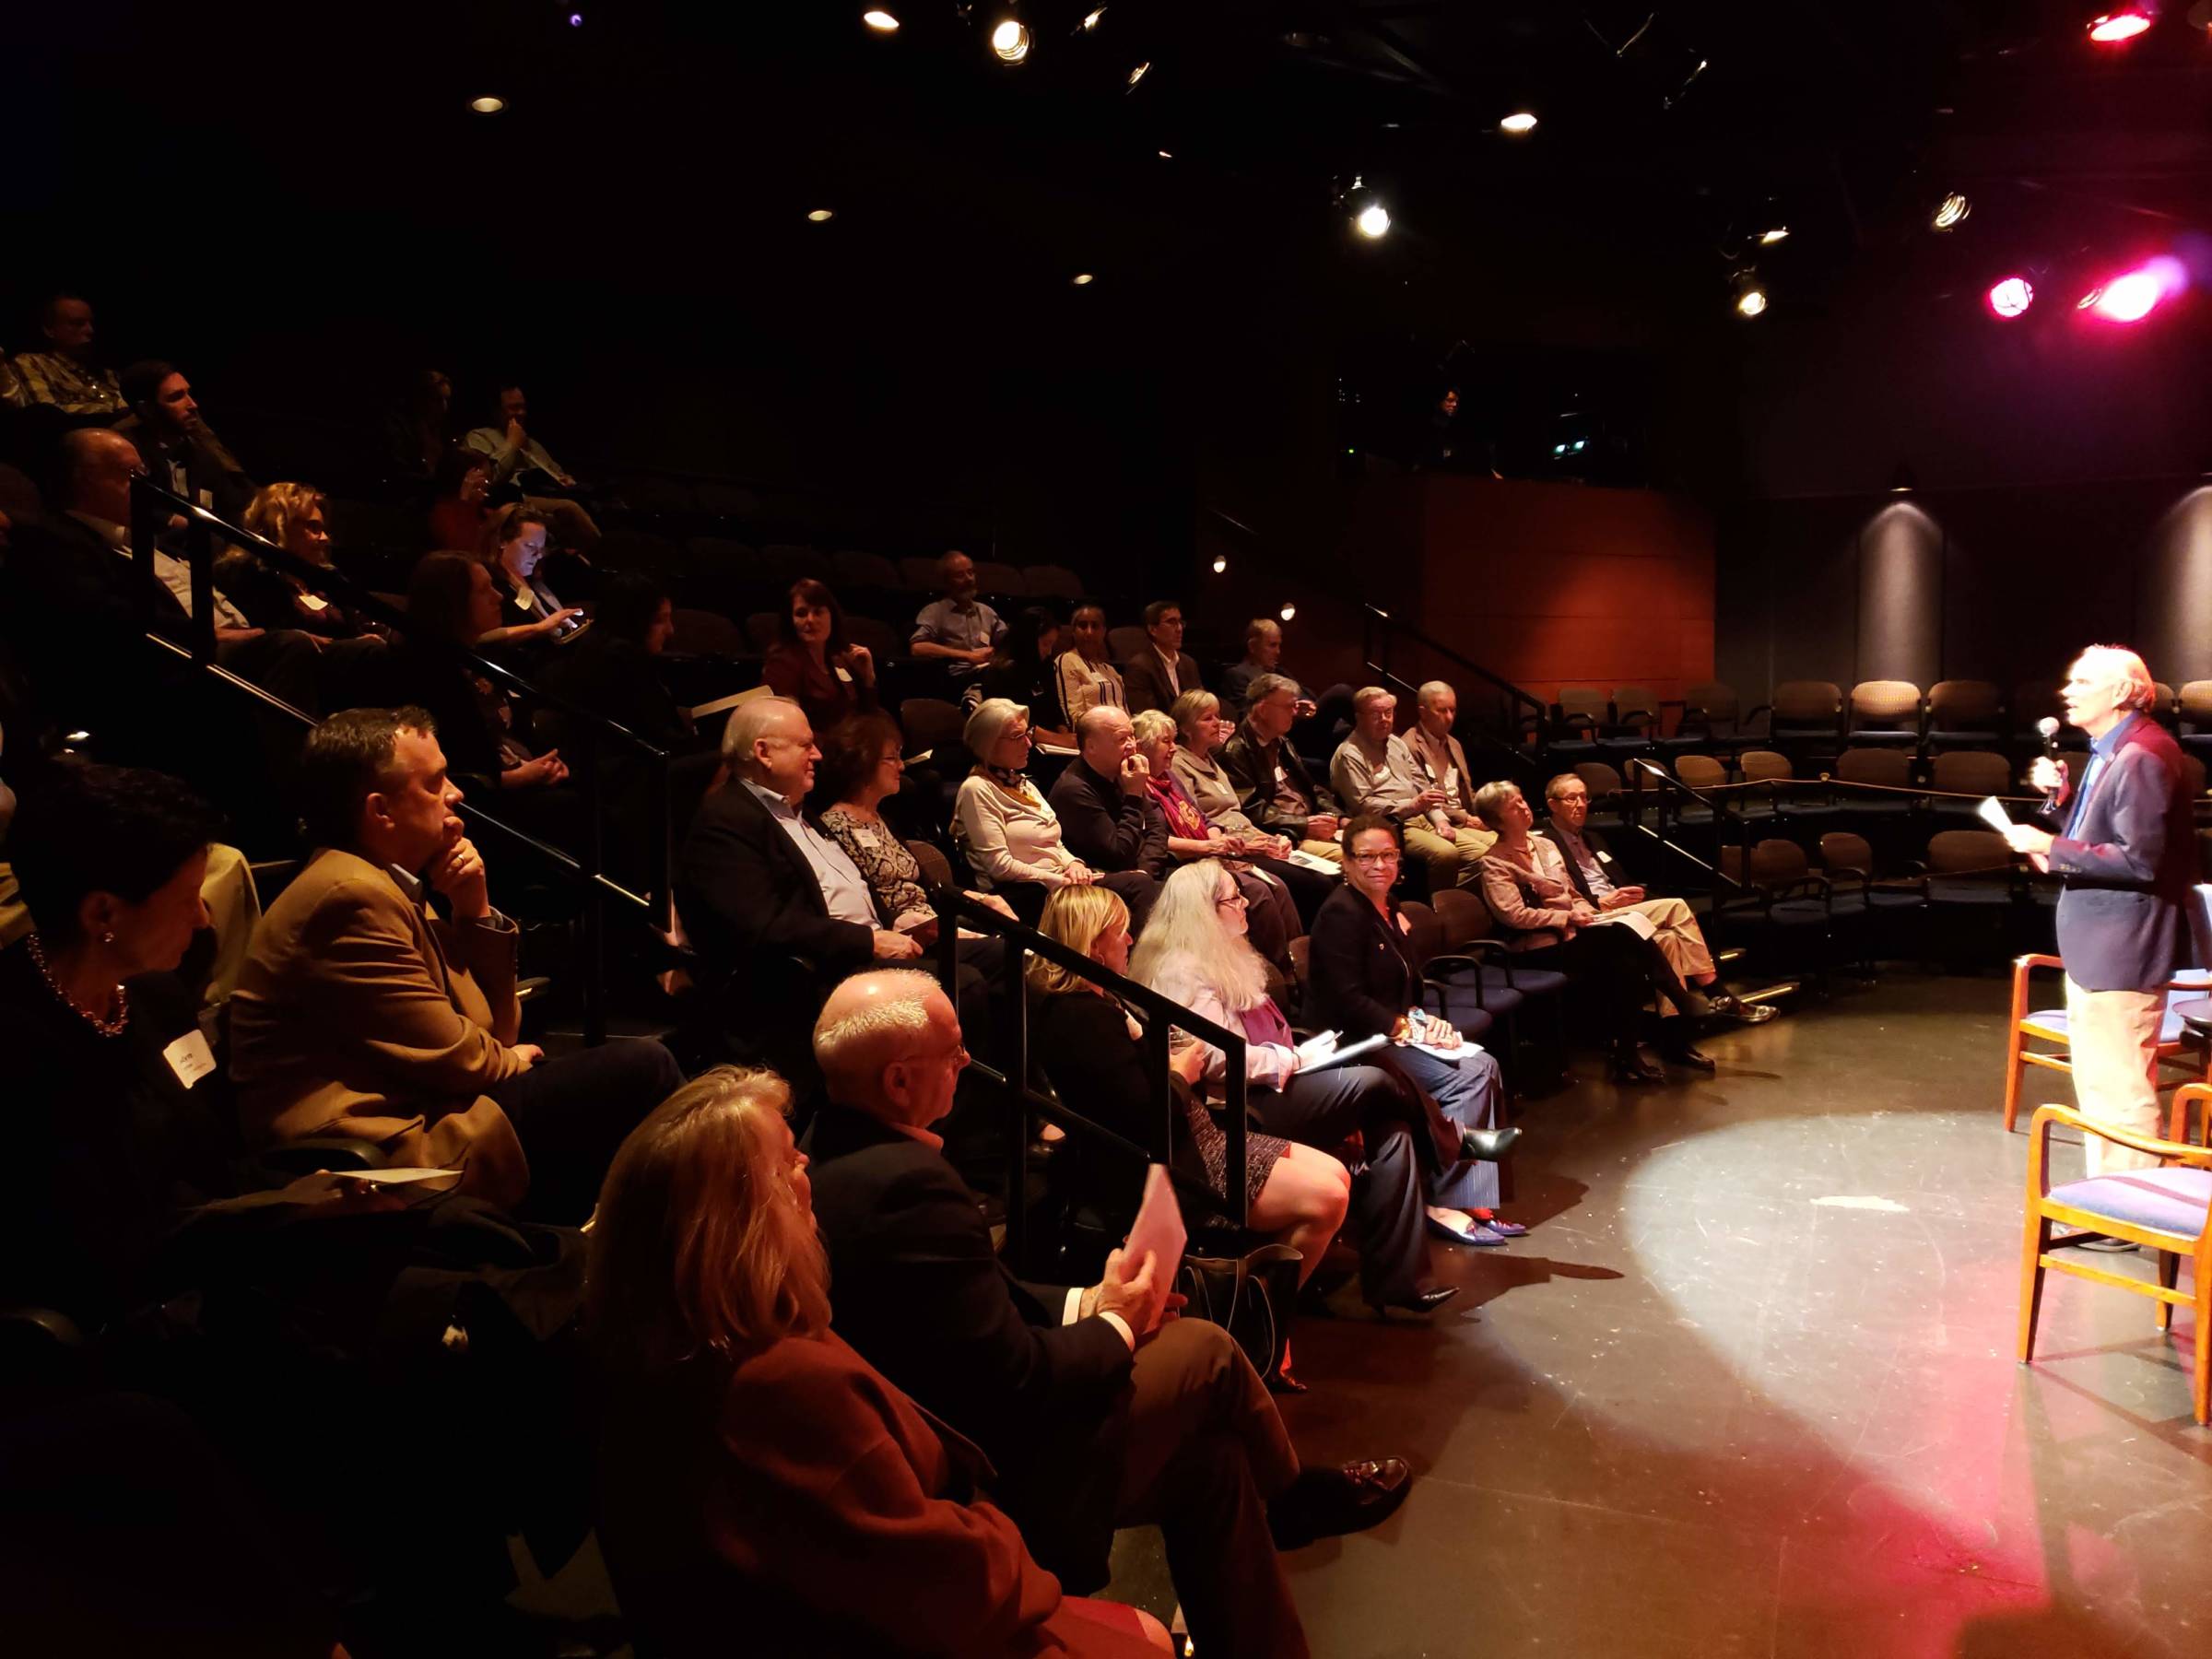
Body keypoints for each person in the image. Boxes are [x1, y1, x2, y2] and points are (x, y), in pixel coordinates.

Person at [806, 971, 1414, 1658]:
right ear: (896, 1083)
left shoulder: (840, 1154)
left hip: (982, 1425)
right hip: (1001, 1477)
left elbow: (977, 1307)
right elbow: (1016, 1379)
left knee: (1212, 1464)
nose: (968, 1063)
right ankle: (1295, 1495)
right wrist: (1118, 1325)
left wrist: (1088, 1301)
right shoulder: (902, 1187)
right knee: (1206, 1351)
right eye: (952, 1052)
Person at [588, 1065, 1174, 1658]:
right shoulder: (775, 1383)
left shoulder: (687, 1351)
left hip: (908, 1595)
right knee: (1147, 1640)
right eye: (786, 1163)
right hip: (935, 1613)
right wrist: (1008, 1538)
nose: (806, 1170)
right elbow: (941, 1584)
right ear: (733, 1222)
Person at [229, 707, 683, 1220]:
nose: (456, 793)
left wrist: (475, 909)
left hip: (434, 1108)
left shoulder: (389, 882)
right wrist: (514, 1061)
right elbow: (465, 1057)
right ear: (381, 811)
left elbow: (499, 1028)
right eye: (435, 782)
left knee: (628, 1096)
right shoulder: (349, 896)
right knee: (644, 1067)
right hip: (388, 1149)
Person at [1131, 861, 1506, 1316]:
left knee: (1392, 1127)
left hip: (1273, 1084)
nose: (1245, 903)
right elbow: (1219, 1060)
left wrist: (1299, 1057)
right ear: (1203, 911)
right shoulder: (1182, 971)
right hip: (1239, 1105)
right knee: (1372, 1077)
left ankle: (1401, 1281)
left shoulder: (1219, 955)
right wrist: (1293, 1060)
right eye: (1233, 898)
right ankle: (1454, 1136)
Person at [1030, 885, 1350, 1292]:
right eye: (1121, 932)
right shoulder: (1078, 1017)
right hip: (1174, 1162)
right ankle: (1262, 1316)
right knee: (1327, 1199)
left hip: (1196, 1136)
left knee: (1337, 1175)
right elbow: (1141, 1117)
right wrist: (1181, 1073)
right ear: (1093, 946)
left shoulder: (1100, 995)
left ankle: (1253, 1294)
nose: (1130, 940)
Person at [2001, 645, 2199, 1182]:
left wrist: (2050, 845)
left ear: (2120, 693)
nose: (2068, 691)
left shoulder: (2141, 756)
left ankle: (2136, 1204)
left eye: (2083, 682)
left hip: (2124, 942)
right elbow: (2106, 833)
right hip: (2104, 942)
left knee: (2121, 1086)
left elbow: (2139, 859)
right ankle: (2115, 1202)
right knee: (2103, 1083)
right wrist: (2063, 799)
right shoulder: (2114, 750)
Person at [1309, 816, 1525, 1247]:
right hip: (1354, 1041)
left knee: (1483, 1062)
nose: (1378, 865)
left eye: (1387, 855)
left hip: (1394, 1030)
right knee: (1467, 1077)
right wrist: (1406, 1026)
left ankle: (1474, 1200)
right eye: (1366, 856)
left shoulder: (1390, 908)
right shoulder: (1340, 914)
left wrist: (1428, 1024)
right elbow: (1347, 1000)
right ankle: (1447, 1203)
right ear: (1347, 863)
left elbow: (1405, 986)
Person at [1472, 780, 1712, 1082]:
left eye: (1522, 800)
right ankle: (1673, 999)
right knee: (1625, 937)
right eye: (1513, 806)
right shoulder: (1494, 862)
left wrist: (1584, 909)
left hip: (1573, 934)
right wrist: (1567, 917)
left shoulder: (1544, 845)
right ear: (1497, 820)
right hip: (1538, 946)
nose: (1523, 808)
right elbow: (1514, 915)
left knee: (1629, 960)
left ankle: (1628, 1055)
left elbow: (1569, 890)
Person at [1542, 772, 1772, 1026]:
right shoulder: (1544, 843)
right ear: (1553, 804)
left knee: (1669, 939)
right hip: (1590, 918)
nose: (1581, 804)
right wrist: (1601, 902)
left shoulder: (1593, 837)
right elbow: (1558, 896)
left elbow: (1620, 880)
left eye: (1584, 798)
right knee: (1677, 906)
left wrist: (1635, 895)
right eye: (1572, 798)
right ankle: (1717, 993)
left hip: (1623, 910)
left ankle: (1675, 1033)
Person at [953, 699, 1156, 925]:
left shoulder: (1025, 785)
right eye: (1017, 737)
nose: (1029, 743)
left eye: (1027, 733)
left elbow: (1055, 844)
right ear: (988, 743)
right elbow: (999, 865)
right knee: (1138, 886)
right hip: (1025, 893)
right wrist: (1057, 879)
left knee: (1143, 881)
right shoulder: (977, 789)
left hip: (1059, 882)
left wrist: (1074, 864)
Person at [393, 553, 574, 806]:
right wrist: (525, 775)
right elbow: (460, 775)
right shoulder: (430, 675)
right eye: (484, 590)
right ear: (454, 603)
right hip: (489, 803)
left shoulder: (477, 654)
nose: (499, 596)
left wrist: (542, 765)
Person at [816, 711, 1014, 942]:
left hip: (933, 921)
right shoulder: (836, 827)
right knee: (1006, 954)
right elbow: (864, 903)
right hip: (904, 937)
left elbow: (930, 888)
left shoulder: (881, 820)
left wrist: (980, 899)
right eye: (891, 758)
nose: (901, 766)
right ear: (862, 762)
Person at [1130, 708, 1303, 962]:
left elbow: (1203, 818)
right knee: (1259, 893)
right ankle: (1279, 972)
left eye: (1174, 741)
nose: (1174, 748)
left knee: (1279, 887)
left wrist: (1217, 840)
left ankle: (1296, 965)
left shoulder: (1169, 776)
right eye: (1165, 742)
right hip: (1182, 865)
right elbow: (1157, 841)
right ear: (1143, 748)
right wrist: (1211, 846)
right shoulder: (1137, 785)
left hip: (1209, 853)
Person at [1331, 685, 1493, 891]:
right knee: (1446, 854)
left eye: (1388, 713)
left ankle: (1451, 901)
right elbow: (1363, 806)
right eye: (1375, 714)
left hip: (1423, 818)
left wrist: (1441, 821)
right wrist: (1413, 805)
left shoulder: (1397, 744)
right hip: (1388, 826)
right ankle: (1436, 906)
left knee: (1486, 855)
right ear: (1358, 717)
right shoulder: (1349, 753)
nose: (1384, 719)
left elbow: (1423, 787)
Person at [218, 480, 393, 643]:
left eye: (323, 529)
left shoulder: (324, 578)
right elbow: (277, 638)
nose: (325, 538)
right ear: (279, 525)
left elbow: (354, 628)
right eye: (313, 527)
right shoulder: (249, 575)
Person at [1045, 706, 1169, 934]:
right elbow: (1118, 854)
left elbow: (1157, 830)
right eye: (1122, 739)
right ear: (1091, 746)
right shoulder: (1073, 790)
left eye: (1132, 735)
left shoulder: (1122, 771)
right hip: (1096, 879)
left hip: (1138, 872)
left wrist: (1145, 870)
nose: (1132, 745)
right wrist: (1133, 794)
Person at [461, 382, 601, 547]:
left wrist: (564, 480)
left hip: (546, 496)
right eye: (513, 408)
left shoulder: (533, 444)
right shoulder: (479, 437)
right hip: (511, 499)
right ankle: (603, 550)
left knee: (590, 504)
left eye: (523, 407)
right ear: (497, 411)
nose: (520, 413)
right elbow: (488, 479)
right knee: (570, 509)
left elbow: (556, 473)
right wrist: (511, 444)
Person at [1219, 674, 1345, 856]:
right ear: (1263, 710)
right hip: (1287, 836)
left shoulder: (1281, 742)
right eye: (1289, 707)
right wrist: (1304, 825)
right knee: (1356, 857)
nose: (1295, 712)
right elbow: (1252, 809)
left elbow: (1311, 789)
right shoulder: (1235, 751)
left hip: (1312, 826)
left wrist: (1340, 818)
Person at [115, 359, 254, 521]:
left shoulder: (200, 452)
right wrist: (174, 522)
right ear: (147, 409)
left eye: (188, 393)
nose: (192, 405)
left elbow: (234, 504)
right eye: (176, 397)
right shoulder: (127, 453)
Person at [762, 577, 878, 735]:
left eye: (818, 612)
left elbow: (866, 717)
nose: (810, 620)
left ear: (831, 616)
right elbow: (788, 730)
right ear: (791, 621)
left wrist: (867, 679)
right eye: (801, 613)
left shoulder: (840, 659)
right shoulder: (782, 663)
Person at [476, 502, 585, 653]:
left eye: (541, 549)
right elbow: (482, 639)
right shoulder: (486, 580)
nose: (538, 555)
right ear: (502, 540)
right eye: (530, 546)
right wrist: (540, 628)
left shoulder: (526, 578)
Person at [0, 293, 125, 418]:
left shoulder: (107, 373)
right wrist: (115, 407)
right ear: (50, 330)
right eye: (78, 323)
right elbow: (47, 413)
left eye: (91, 323)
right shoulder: (32, 363)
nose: (90, 330)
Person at [1403, 679, 1491, 838]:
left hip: (1467, 818)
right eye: (1442, 711)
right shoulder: (1409, 746)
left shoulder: (1454, 743)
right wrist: (1467, 819)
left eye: (1453, 710)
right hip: (1438, 823)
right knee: (1494, 848)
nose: (1449, 717)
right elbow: (1424, 801)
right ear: (1423, 712)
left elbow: (1466, 791)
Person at [980, 605, 1075, 747]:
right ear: (1028, 641)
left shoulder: (1045, 666)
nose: (1049, 652)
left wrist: (1065, 735)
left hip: (1050, 744)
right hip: (1016, 743)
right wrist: (1057, 739)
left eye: (1052, 645)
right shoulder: (1001, 671)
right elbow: (1011, 721)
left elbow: (1054, 708)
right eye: (1045, 644)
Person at [909, 550, 1005, 686]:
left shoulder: (986, 611)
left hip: (987, 672)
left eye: (971, 572)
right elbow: (918, 648)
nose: (969, 579)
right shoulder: (935, 611)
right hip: (956, 677)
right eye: (960, 575)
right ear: (946, 581)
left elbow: (1008, 640)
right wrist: (968, 655)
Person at [1122, 599, 1204, 716]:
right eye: (1172, 622)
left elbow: (1201, 704)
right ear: (1152, 630)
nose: (1179, 629)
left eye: (1180, 622)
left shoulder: (1188, 663)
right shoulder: (1139, 667)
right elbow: (1147, 716)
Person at [1053, 601, 1127, 724]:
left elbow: (1124, 709)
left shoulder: (1109, 669)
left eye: (1095, 626)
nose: (1089, 632)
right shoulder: (1067, 661)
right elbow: (1072, 716)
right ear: (1073, 631)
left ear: (1103, 631)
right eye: (1083, 626)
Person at [426, 450, 495, 555]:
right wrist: (464, 499)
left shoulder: (485, 513)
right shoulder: (441, 513)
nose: (488, 484)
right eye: (485, 479)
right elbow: (462, 551)